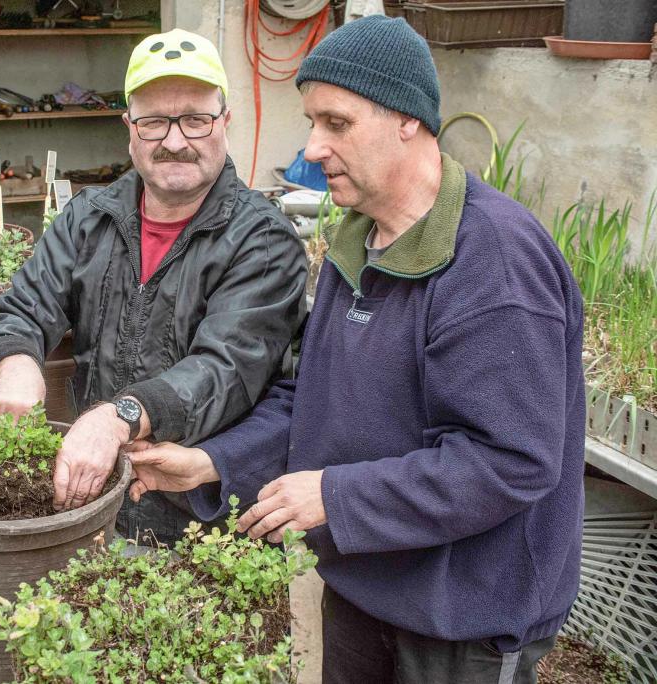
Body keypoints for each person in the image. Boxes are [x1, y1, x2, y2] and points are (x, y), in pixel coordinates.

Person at [125, 16, 585, 684]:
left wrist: (338, 499)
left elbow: (508, 461)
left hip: (463, 621)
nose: (313, 149)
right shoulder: (358, 244)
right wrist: (211, 463)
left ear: (408, 121)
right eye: (312, 122)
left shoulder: (494, 264)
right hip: (366, 584)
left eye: (336, 124)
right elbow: (314, 396)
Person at [0, 28, 308, 544]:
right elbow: (22, 306)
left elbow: (224, 367)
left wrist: (116, 418)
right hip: (97, 498)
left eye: (195, 120)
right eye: (154, 122)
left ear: (224, 122)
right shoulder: (89, 218)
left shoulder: (262, 239)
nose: (174, 142)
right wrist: (16, 363)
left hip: (207, 516)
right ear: (129, 128)